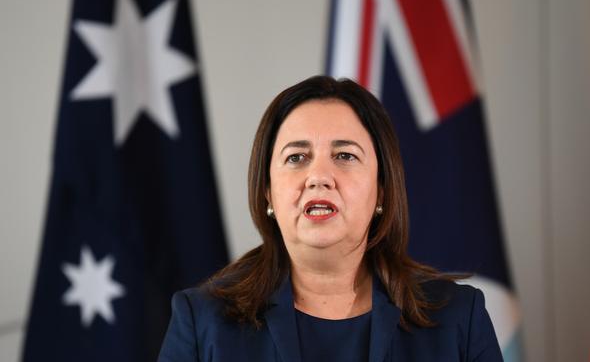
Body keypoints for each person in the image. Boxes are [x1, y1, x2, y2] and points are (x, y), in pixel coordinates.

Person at [158, 76, 503, 361]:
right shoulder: (202, 321)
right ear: (267, 192)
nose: (318, 176)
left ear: (382, 190)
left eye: (344, 155)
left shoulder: (458, 317)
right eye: (296, 157)